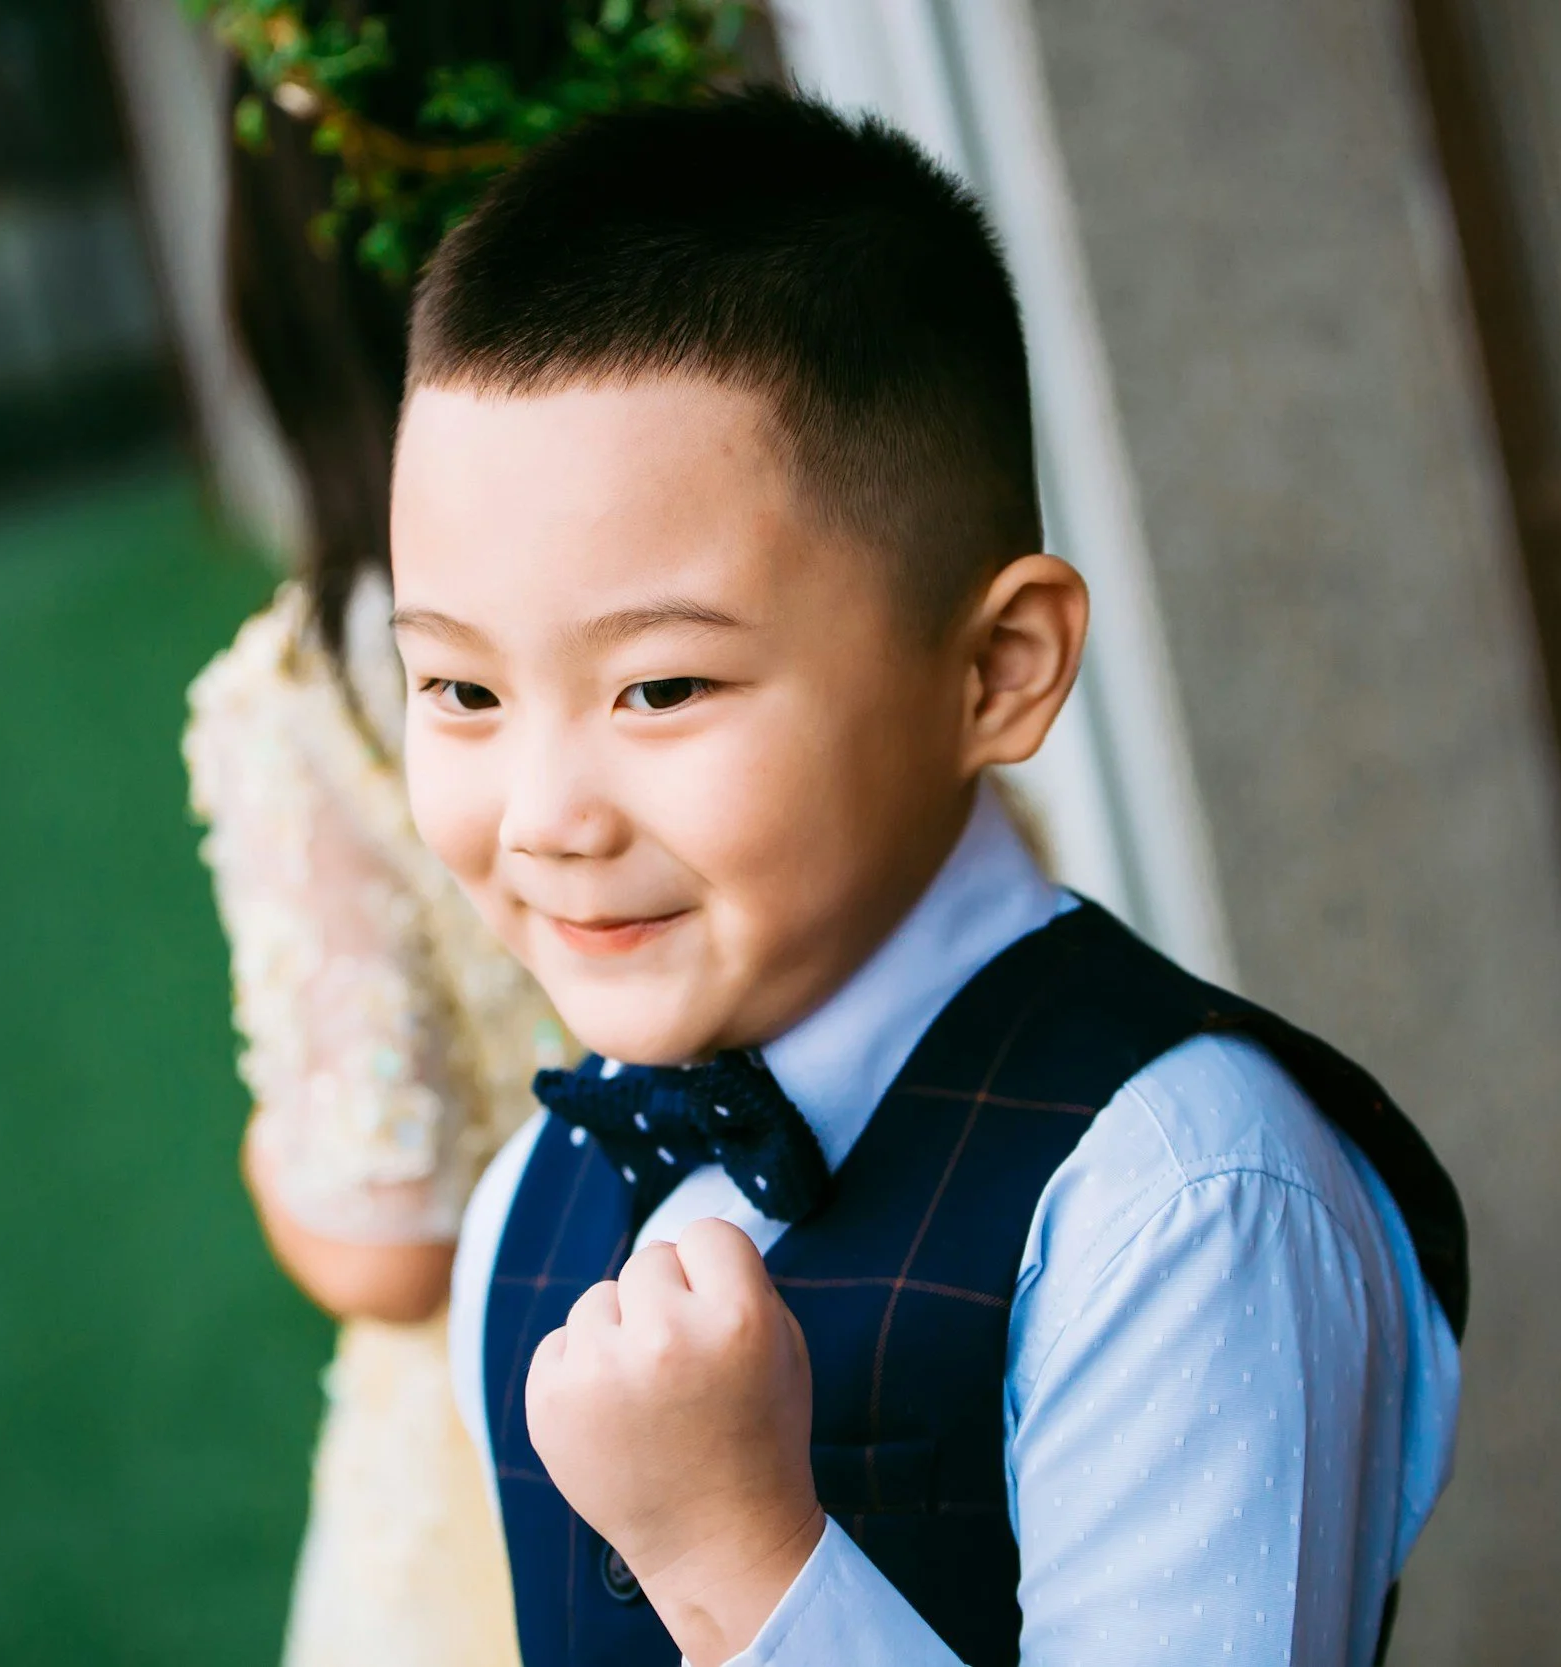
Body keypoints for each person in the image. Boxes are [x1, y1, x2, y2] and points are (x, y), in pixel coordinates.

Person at [389, 91, 1470, 1667]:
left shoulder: (1175, 1197)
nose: (547, 814)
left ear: (995, 670)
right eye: (464, 693)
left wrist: (740, 1556)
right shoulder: (529, 1211)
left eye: (665, 689)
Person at [181, 64, 562, 1667]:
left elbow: (396, 1238)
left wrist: (278, 1172)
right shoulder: (726, 577)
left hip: (508, 1450)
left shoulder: (307, 694)